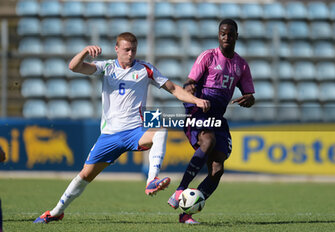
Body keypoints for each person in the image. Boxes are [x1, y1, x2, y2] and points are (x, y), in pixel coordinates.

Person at [34, 32, 210, 224]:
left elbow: (174, 89)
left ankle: (152, 179)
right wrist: (85, 51)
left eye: (133, 49)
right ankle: (56, 211)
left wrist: (196, 100)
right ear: (116, 49)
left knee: (160, 129)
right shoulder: (107, 67)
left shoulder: (145, 69)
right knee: (85, 175)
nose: (130, 53)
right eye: (126, 49)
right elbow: (74, 67)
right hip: (110, 134)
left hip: (136, 130)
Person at [167, 19, 255, 224]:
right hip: (198, 109)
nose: (226, 37)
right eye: (223, 34)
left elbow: (250, 96)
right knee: (208, 141)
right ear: (219, 35)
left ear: (236, 36)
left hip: (217, 117)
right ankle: (180, 190)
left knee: (217, 169)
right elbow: (189, 83)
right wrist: (194, 96)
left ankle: (186, 214)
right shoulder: (208, 56)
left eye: (230, 34)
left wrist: (249, 99)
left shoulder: (241, 65)